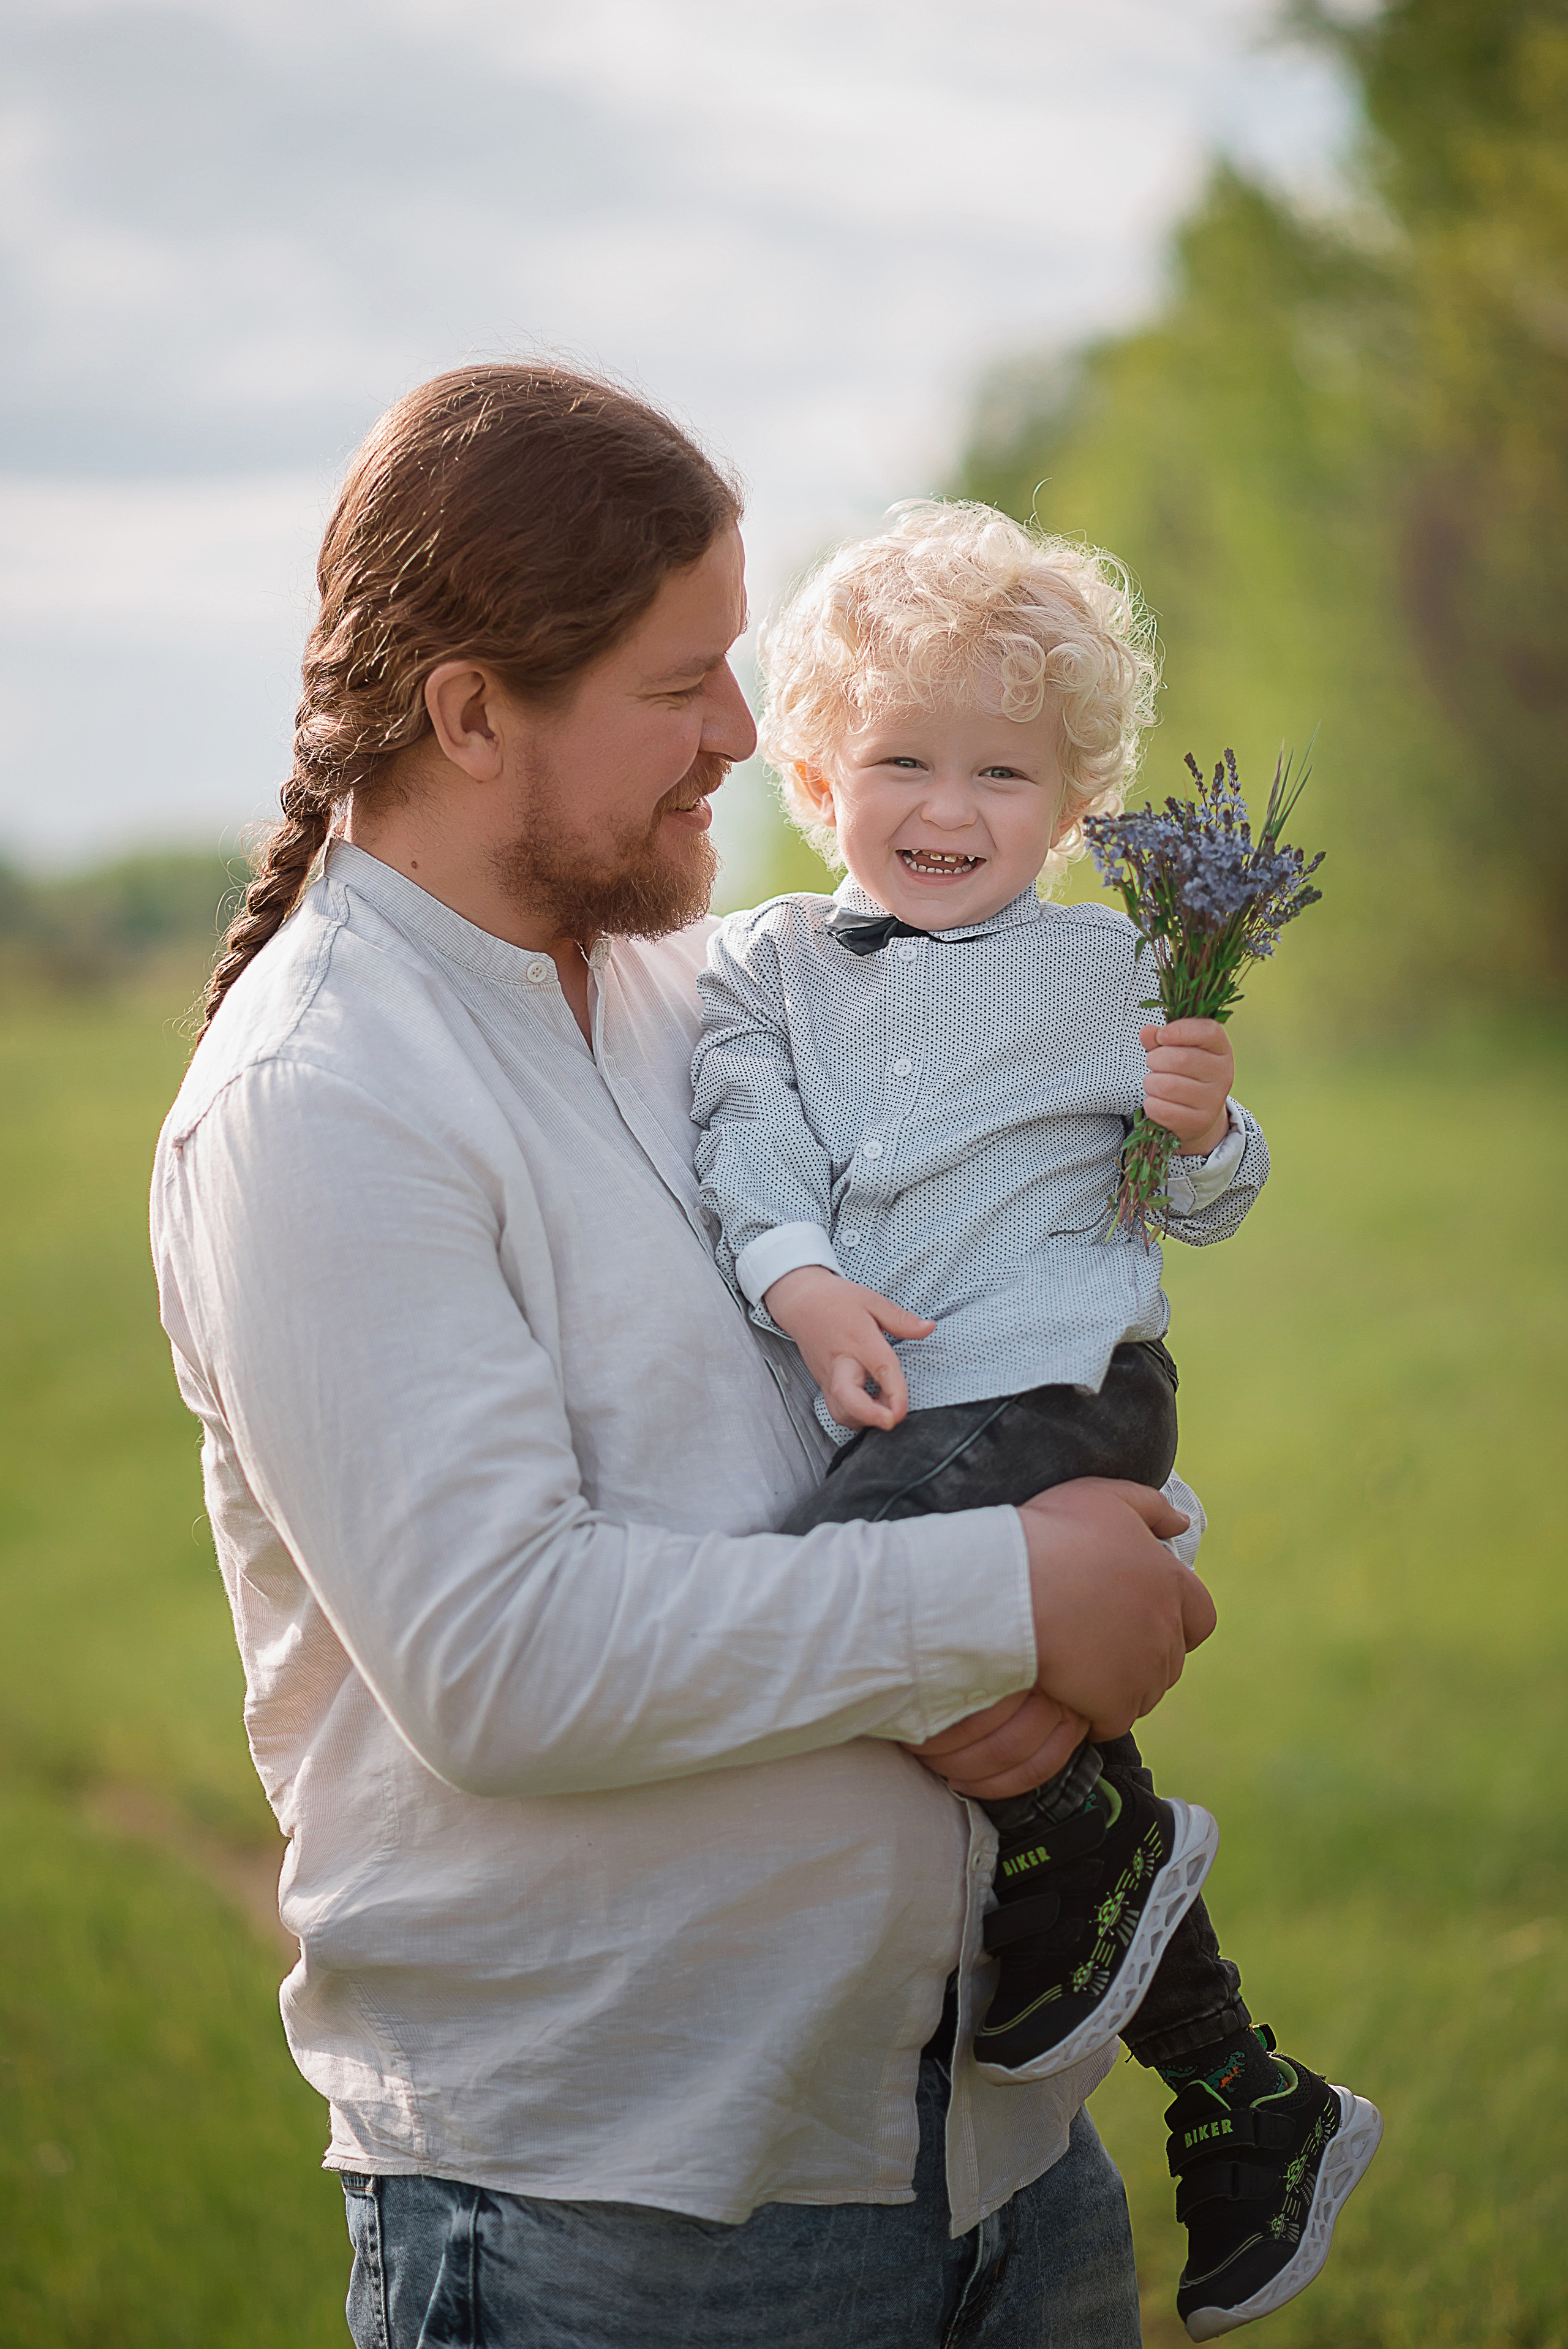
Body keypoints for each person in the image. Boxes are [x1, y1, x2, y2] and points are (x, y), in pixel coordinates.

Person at [149, 365, 1219, 2349]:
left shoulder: (704, 984)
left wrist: (1087, 1553)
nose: (748, 734)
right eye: (684, 684)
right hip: (633, 2219)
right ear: (472, 713)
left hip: (997, 2148)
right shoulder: (323, 1096)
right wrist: (1007, 1596)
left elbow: (989, 1321)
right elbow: (507, 1659)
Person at [692, 501, 1381, 2340]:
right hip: (906, 1393)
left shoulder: (1105, 972)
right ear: (821, 768)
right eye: (901, 758)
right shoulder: (760, 965)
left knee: (841, 1591)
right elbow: (739, 1122)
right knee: (985, 1729)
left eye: (1001, 772)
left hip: (1066, 1388)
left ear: (1069, 805)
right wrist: (800, 1277)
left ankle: (1124, 1872)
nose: (946, 804)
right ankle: (1251, 2096)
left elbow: (1206, 1209)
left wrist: (1200, 1122)